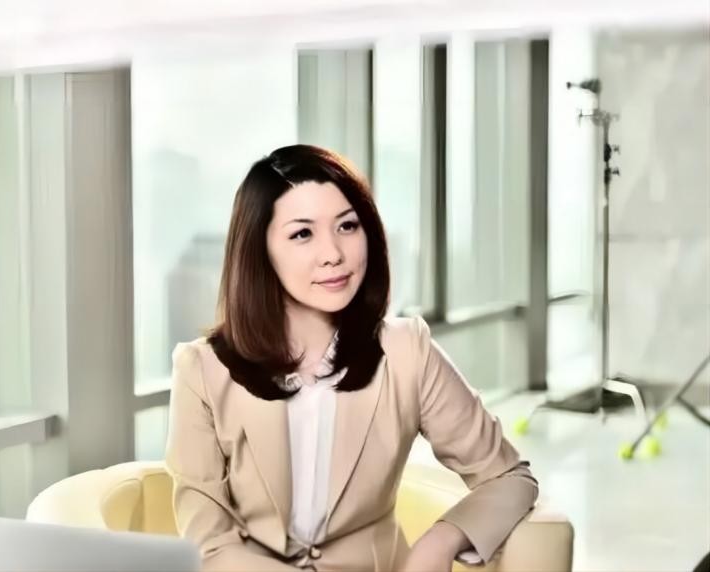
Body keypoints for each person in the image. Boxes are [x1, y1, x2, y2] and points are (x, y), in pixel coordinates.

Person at [164, 144, 538, 572]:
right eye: (302, 234)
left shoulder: (407, 351)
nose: (333, 254)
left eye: (347, 226)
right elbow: (208, 545)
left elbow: (509, 476)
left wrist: (442, 539)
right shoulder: (201, 370)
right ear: (259, 250)